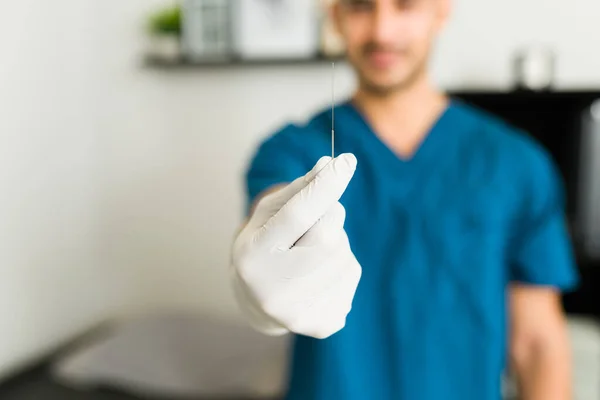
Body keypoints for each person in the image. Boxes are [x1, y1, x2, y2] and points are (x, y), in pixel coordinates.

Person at [230, 0, 579, 399]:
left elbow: (537, 343)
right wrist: (259, 263)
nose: (382, 31)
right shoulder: (291, 151)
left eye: (405, 6)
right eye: (361, 7)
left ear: (441, 11)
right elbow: (267, 215)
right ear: (336, 16)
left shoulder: (517, 164)